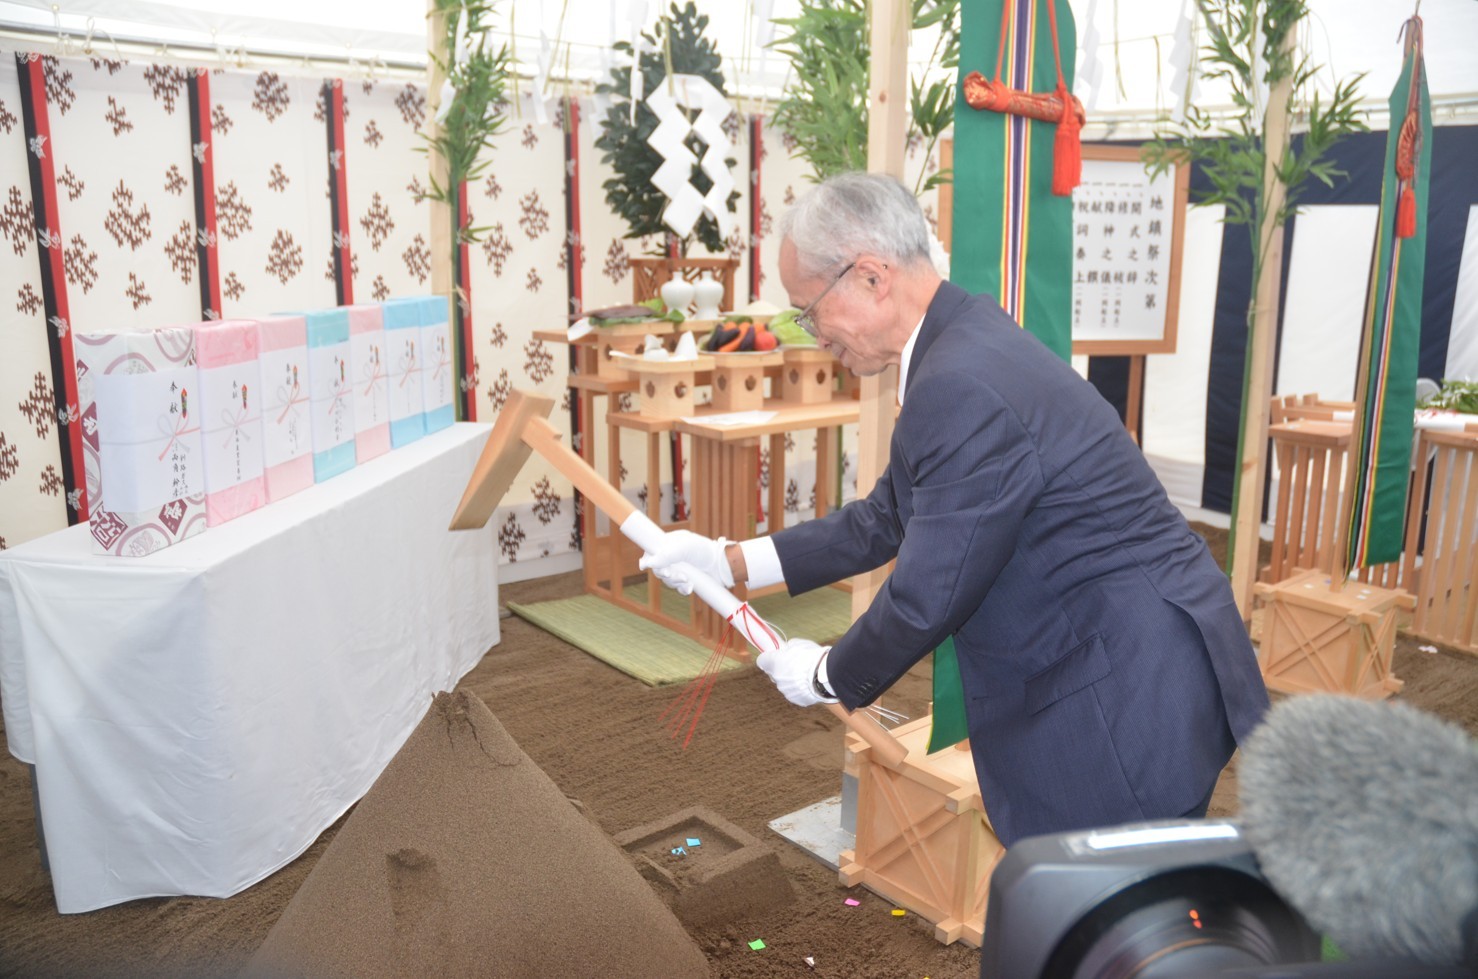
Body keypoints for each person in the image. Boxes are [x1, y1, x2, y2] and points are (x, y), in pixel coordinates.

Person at [639, 171, 1269, 847]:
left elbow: (929, 592)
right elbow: (889, 515)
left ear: (872, 277)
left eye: (809, 309)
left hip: (1122, 692)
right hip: (1137, 654)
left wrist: (828, 675)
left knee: (1104, 902)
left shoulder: (958, 381)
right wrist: (728, 560)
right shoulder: (963, 339)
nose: (813, 334)